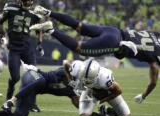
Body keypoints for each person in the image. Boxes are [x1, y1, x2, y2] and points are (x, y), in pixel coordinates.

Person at [30, 5, 160, 104]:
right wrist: (143, 96)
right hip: (115, 42)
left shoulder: (154, 35)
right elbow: (153, 82)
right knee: (79, 48)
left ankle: (48, 12)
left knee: (79, 26)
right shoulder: (155, 59)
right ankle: (50, 29)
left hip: (113, 31)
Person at [0, 62, 80, 116]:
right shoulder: (61, 73)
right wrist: (12, 100)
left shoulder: (73, 90)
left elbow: (76, 101)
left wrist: (84, 110)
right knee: (41, 81)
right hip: (33, 75)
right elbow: (65, 64)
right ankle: (11, 100)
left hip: (34, 89)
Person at [0, 0, 44, 111]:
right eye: (25, 0)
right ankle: (8, 98)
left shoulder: (35, 12)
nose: (28, 3)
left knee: (34, 77)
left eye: (29, 1)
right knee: (15, 78)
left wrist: (39, 44)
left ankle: (32, 103)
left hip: (27, 49)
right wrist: (0, 35)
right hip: (14, 48)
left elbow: (38, 29)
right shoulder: (11, 7)